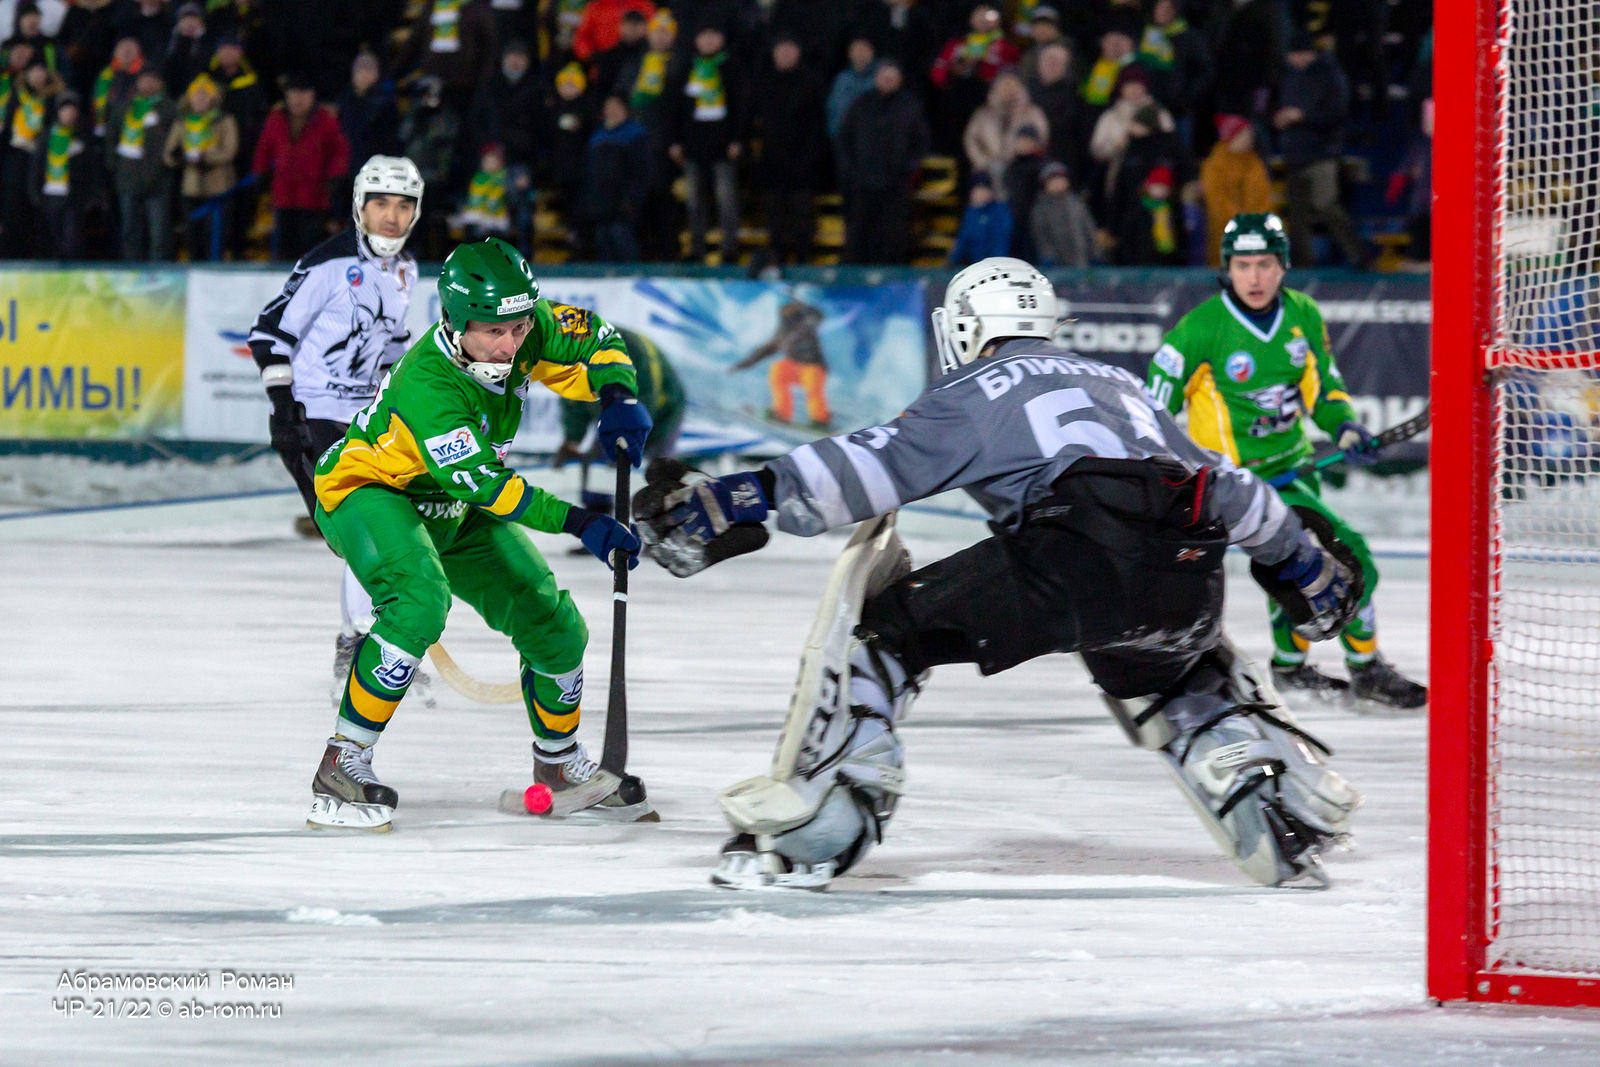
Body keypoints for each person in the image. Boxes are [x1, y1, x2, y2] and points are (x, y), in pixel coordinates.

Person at [633, 256, 1364, 891]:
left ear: (962, 327)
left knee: (886, 631)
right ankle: (1268, 799)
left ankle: (823, 820)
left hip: (1071, 557)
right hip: (1187, 572)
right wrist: (1303, 562)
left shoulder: (978, 385)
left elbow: (867, 467)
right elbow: (1228, 488)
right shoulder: (1123, 384)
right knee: (1170, 662)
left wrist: (735, 498)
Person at [307, 237, 653, 830]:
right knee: (419, 602)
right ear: (455, 319)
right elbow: (491, 488)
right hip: (371, 492)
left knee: (552, 620)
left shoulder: (527, 323)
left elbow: (600, 338)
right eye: (494, 332)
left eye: (519, 328)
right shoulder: (430, 388)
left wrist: (617, 396)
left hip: (453, 502)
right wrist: (583, 522)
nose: (510, 344)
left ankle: (559, 763)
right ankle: (342, 764)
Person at [1145, 213, 1426, 709]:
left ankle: (1291, 669)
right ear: (1227, 269)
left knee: (1293, 571)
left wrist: (1344, 425)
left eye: (1266, 264)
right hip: (1239, 488)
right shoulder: (1198, 331)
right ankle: (1366, 670)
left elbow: (1324, 388)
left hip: (1295, 472)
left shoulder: (1302, 315)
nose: (1255, 277)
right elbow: (1151, 411)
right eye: (1244, 265)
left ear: (1284, 266)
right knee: (1350, 558)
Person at [248, 155, 425, 693]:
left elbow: (393, 346)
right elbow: (269, 334)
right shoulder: (328, 265)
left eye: (403, 206)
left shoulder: (406, 271)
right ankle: (362, 646)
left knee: (376, 528)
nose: (391, 218)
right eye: (380, 205)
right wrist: (284, 412)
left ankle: (366, 643)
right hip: (313, 415)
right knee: (360, 528)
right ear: (359, 207)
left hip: (366, 419)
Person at [554, 324, 686, 514]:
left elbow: (647, 398)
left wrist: (627, 441)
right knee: (597, 471)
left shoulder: (633, 352)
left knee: (659, 475)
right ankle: (600, 532)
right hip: (611, 414)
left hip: (662, 414)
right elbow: (573, 403)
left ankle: (667, 529)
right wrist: (571, 442)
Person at [1275, 30, 1365, 268]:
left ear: (1304, 53)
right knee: (1297, 214)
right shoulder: (1292, 77)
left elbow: (1338, 113)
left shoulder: (1330, 75)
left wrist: (1302, 117)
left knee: (1326, 204)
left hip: (1321, 152)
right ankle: (1304, 262)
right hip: (1295, 152)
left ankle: (1359, 255)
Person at [836, 57, 928, 265]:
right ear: (877, 77)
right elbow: (844, 140)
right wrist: (852, 170)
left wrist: (907, 169)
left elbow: (920, 143)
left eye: (892, 76)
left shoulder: (909, 106)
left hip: (896, 184)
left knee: (894, 234)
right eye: (884, 75)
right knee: (859, 232)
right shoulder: (861, 104)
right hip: (863, 182)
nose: (888, 80)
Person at [665, 22, 744, 264]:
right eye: (704, 35)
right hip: (692, 144)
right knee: (694, 201)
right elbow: (675, 107)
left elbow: (742, 106)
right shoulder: (686, 67)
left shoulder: (731, 67)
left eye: (714, 35)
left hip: (722, 145)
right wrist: (675, 140)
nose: (709, 41)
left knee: (726, 199)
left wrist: (737, 138)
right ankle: (696, 248)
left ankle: (729, 248)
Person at [252, 73, 351, 262]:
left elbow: (339, 151)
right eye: (293, 94)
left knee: (312, 252)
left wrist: (334, 178)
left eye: (303, 93)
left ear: (312, 96)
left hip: (314, 199)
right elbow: (263, 149)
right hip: (283, 198)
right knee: (284, 252)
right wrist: (261, 173)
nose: (297, 99)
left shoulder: (325, 120)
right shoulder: (276, 119)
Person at [163, 72, 238, 262]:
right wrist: (179, 156)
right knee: (192, 237)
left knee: (214, 237)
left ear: (214, 97)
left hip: (219, 189)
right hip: (191, 188)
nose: (200, 98)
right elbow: (168, 154)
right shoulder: (182, 122)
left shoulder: (224, 120)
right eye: (196, 94)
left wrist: (203, 157)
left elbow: (229, 152)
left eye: (205, 94)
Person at [106, 66, 174, 260]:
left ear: (161, 83)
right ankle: (132, 272)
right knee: (129, 230)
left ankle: (158, 273)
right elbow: (112, 137)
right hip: (128, 178)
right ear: (137, 82)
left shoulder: (169, 109)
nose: (149, 83)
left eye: (154, 79)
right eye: (145, 79)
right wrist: (115, 165)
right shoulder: (124, 107)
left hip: (159, 180)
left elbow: (175, 142)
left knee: (159, 233)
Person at [731, 296, 828, 429]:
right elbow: (767, 349)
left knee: (812, 387)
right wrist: (744, 364)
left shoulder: (806, 322)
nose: (786, 310)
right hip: (794, 367)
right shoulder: (783, 332)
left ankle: (820, 420)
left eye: (789, 307)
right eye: (784, 308)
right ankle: (781, 413)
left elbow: (817, 316)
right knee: (778, 369)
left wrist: (803, 306)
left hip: (813, 366)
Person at [1199, 114, 1271, 268]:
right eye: (1246, 134)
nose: (1250, 138)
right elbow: (1217, 202)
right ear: (1233, 137)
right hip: (1227, 234)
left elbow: (1261, 196)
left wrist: (1256, 225)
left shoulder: (1254, 162)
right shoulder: (1214, 165)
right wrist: (1241, 225)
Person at [1029, 161, 1097, 268]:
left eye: (1060, 180)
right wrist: (1048, 255)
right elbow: (1041, 234)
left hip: (1082, 258)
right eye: (1053, 181)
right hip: (1058, 261)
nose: (1057, 184)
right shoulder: (1041, 208)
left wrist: (1095, 252)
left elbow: (1088, 228)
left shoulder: (1076, 203)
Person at [947, 172, 1010, 267]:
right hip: (972, 264)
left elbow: (1001, 241)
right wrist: (952, 259)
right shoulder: (970, 213)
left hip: (995, 265)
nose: (981, 193)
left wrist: (996, 264)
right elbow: (963, 239)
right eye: (978, 189)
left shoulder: (1000, 211)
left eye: (984, 189)